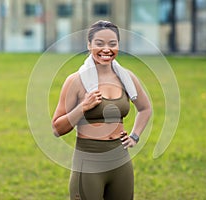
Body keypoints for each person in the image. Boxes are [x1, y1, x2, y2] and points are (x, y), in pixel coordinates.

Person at [52, 20, 152, 200]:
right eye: (99, 43)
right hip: (89, 162)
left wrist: (135, 136)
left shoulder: (127, 78)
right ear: (89, 45)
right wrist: (83, 107)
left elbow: (145, 108)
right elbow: (57, 129)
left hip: (120, 160)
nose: (106, 49)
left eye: (112, 44)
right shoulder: (75, 81)